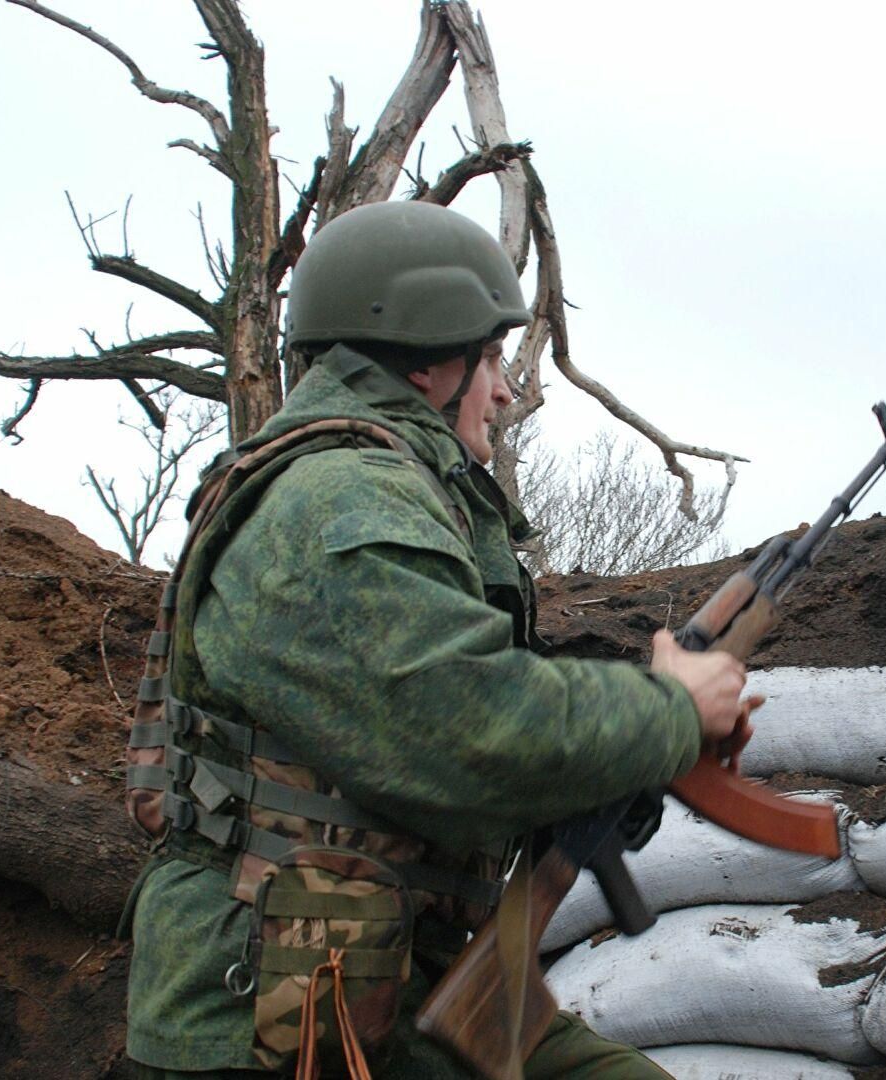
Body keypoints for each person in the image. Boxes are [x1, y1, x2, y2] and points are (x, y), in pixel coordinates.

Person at [123, 199, 750, 1078]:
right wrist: (668, 708)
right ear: (424, 361)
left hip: (380, 970)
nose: (505, 389)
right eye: (489, 357)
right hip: (270, 1012)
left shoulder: (386, 487)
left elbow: (420, 739)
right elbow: (467, 725)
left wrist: (616, 770)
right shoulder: (343, 500)